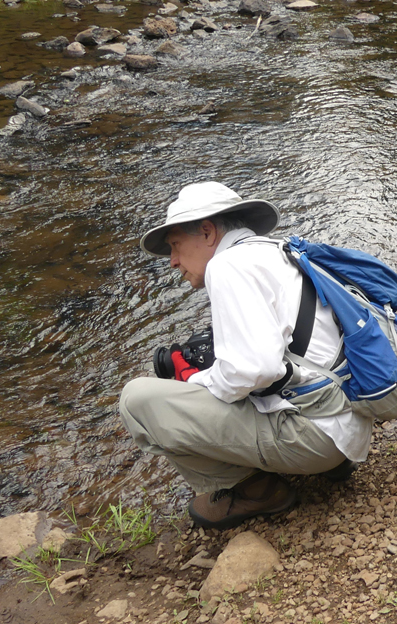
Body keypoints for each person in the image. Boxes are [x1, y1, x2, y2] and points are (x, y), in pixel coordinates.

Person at [119, 181, 372, 530]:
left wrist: (194, 380)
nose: (173, 261)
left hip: (318, 438)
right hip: (350, 419)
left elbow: (256, 369)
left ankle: (256, 491)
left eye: (175, 245)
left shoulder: (228, 266)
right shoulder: (278, 250)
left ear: (207, 231)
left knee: (137, 400)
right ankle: (328, 466)